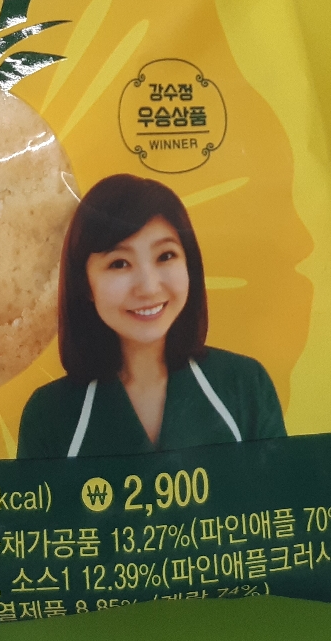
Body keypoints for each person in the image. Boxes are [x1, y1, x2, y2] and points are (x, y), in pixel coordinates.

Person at [17, 174, 285, 458]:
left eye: (165, 256)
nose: (148, 287)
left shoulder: (245, 386)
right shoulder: (49, 415)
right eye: (119, 263)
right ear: (85, 284)